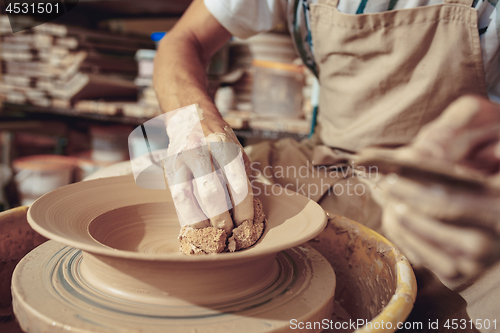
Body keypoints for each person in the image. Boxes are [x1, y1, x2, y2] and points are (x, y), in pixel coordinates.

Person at [153, 0, 500, 291]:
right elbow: (184, 38)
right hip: (327, 161)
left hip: (455, 184)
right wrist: (190, 118)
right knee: (183, 196)